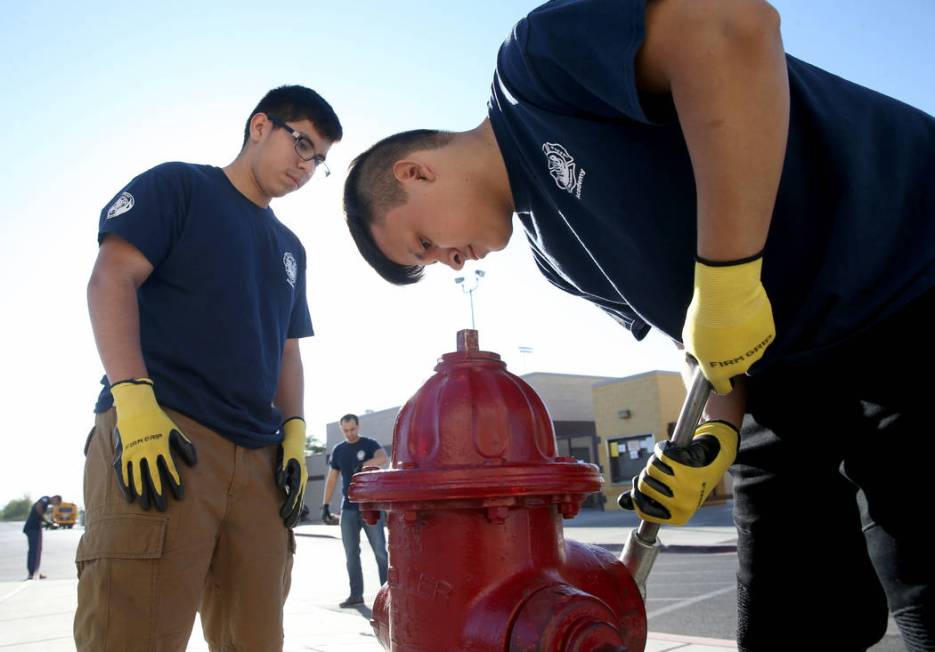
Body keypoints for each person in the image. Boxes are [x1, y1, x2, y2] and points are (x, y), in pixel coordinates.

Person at [341, 1, 935, 650]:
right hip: (785, 378)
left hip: (907, 283)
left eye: (424, 243)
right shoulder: (559, 259)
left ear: (414, 170)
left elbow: (732, 25)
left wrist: (729, 271)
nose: (449, 263)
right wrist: (714, 431)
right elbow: (701, 336)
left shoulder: (535, 69)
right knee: (784, 626)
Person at [77, 85, 342, 651]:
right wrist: (133, 400)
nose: (306, 165)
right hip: (166, 439)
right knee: (133, 636)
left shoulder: (291, 248)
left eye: (319, 160)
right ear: (259, 126)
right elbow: (111, 279)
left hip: (259, 466)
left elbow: (288, 351)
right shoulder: (179, 186)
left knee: (255, 640)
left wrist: (294, 432)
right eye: (302, 143)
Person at [322, 413, 389, 608]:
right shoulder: (339, 450)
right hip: (349, 508)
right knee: (351, 553)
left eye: (353, 429)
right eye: (346, 430)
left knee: (380, 552)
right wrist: (325, 505)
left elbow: (383, 458)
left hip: (370, 506)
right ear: (341, 429)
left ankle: (388, 593)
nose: (350, 433)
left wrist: (365, 464)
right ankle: (355, 595)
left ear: (358, 426)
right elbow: (333, 478)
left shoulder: (369, 444)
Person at [23, 494, 62, 580]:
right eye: (56, 503)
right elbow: (38, 507)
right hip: (32, 528)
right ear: (55, 498)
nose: (54, 505)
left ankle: (35, 571)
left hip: (35, 527)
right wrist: (46, 521)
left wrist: (49, 522)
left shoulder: (47, 503)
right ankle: (32, 573)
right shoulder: (45, 499)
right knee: (35, 550)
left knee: (37, 550)